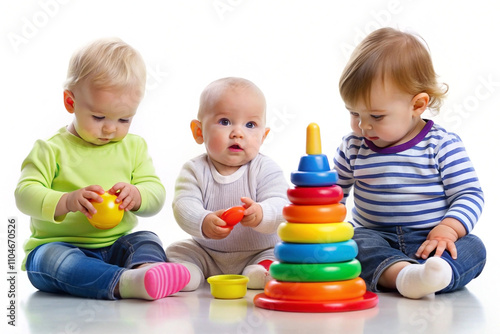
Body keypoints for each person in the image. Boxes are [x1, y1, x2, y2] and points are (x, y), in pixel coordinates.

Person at [15, 38, 189, 300]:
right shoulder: (50, 149)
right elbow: (24, 194)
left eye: (124, 119)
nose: (110, 128)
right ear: (70, 102)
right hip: (61, 246)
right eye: (98, 117)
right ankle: (124, 282)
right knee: (51, 260)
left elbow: (156, 193)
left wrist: (138, 195)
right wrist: (67, 201)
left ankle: (147, 271)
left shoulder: (134, 147)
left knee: (146, 238)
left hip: (116, 246)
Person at [333, 27, 486, 299]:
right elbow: (334, 195)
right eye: (354, 113)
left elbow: (469, 193)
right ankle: (404, 276)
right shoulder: (353, 146)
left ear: (417, 105)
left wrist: (448, 229)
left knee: (474, 247)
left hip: (431, 240)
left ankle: (435, 275)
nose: (363, 125)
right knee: (353, 243)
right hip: (375, 237)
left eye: (377, 116)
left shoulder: (442, 145)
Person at [166, 77, 289, 290]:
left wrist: (261, 213)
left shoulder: (265, 169)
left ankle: (261, 273)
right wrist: (203, 220)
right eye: (225, 121)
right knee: (176, 250)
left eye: (250, 125)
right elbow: (183, 205)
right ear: (198, 131)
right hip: (207, 253)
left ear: (264, 135)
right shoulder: (194, 170)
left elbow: (282, 205)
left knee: (280, 253)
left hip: (259, 251)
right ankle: (187, 275)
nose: (237, 133)